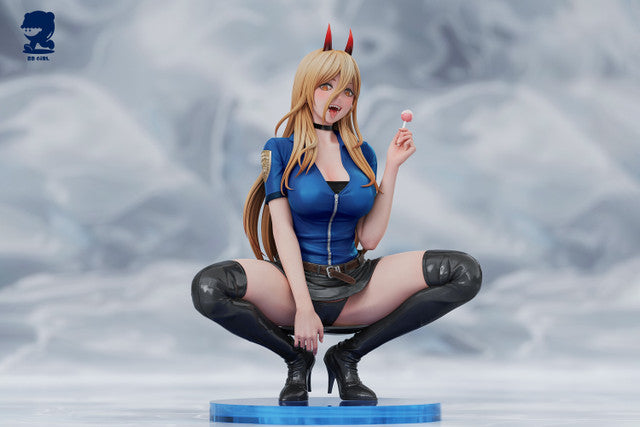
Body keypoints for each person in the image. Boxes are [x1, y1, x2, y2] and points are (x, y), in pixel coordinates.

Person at [191, 25, 482, 403]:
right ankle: (295, 359)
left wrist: (392, 167)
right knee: (208, 286)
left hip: (354, 281)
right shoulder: (279, 150)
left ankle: (348, 356)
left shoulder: (363, 153)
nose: (338, 97)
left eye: (348, 91)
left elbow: (369, 239)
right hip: (291, 283)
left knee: (464, 272)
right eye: (327, 85)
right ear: (306, 87)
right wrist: (303, 306)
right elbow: (282, 230)